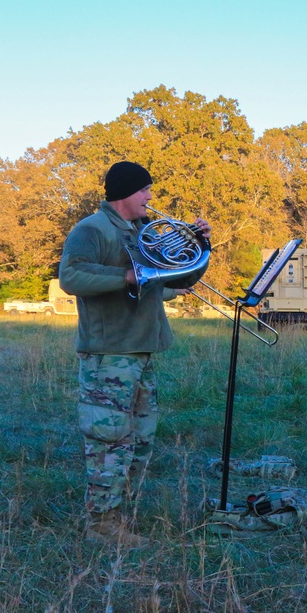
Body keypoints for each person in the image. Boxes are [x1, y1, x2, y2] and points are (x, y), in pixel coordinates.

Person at [59, 161, 210, 545]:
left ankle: (120, 516)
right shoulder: (92, 229)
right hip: (109, 353)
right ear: (125, 193)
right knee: (109, 439)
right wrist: (125, 276)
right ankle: (101, 525)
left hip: (141, 350)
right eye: (144, 190)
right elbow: (70, 278)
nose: (149, 198)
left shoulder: (141, 231)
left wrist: (199, 244)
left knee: (139, 439)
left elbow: (180, 276)